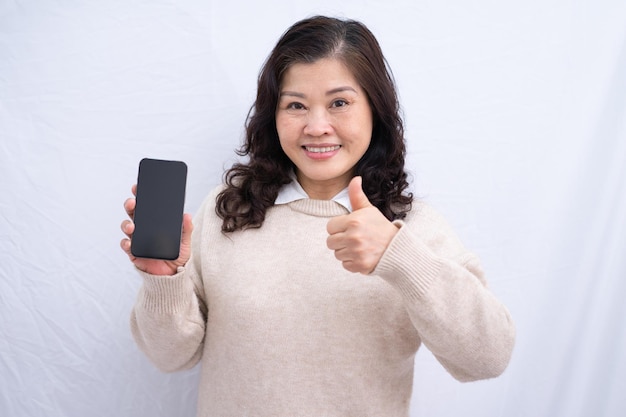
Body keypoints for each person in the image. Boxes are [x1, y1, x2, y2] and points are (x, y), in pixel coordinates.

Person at [120, 15, 515, 417]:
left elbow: (488, 358)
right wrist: (163, 282)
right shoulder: (228, 211)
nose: (317, 126)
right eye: (295, 105)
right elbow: (171, 358)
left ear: (375, 110)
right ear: (273, 116)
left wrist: (400, 257)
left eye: (339, 103)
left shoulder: (413, 227)